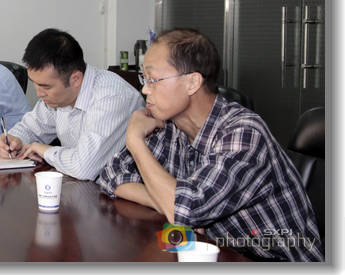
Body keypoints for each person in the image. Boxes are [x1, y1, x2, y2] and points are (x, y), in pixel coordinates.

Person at [97, 28, 324, 262]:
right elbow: (110, 174)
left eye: (152, 80)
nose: (145, 89)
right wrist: (161, 200)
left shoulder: (243, 133)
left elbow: (186, 210)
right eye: (144, 79)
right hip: (217, 251)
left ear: (192, 82)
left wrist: (136, 142)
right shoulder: (170, 125)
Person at [0, 28, 145, 181]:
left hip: (123, 190)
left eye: (46, 86)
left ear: (76, 79)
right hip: (79, 186)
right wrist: (14, 140)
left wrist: (45, 150)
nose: (39, 93)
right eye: (35, 83)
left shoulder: (111, 97)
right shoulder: (56, 98)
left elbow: (84, 167)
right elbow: (30, 128)